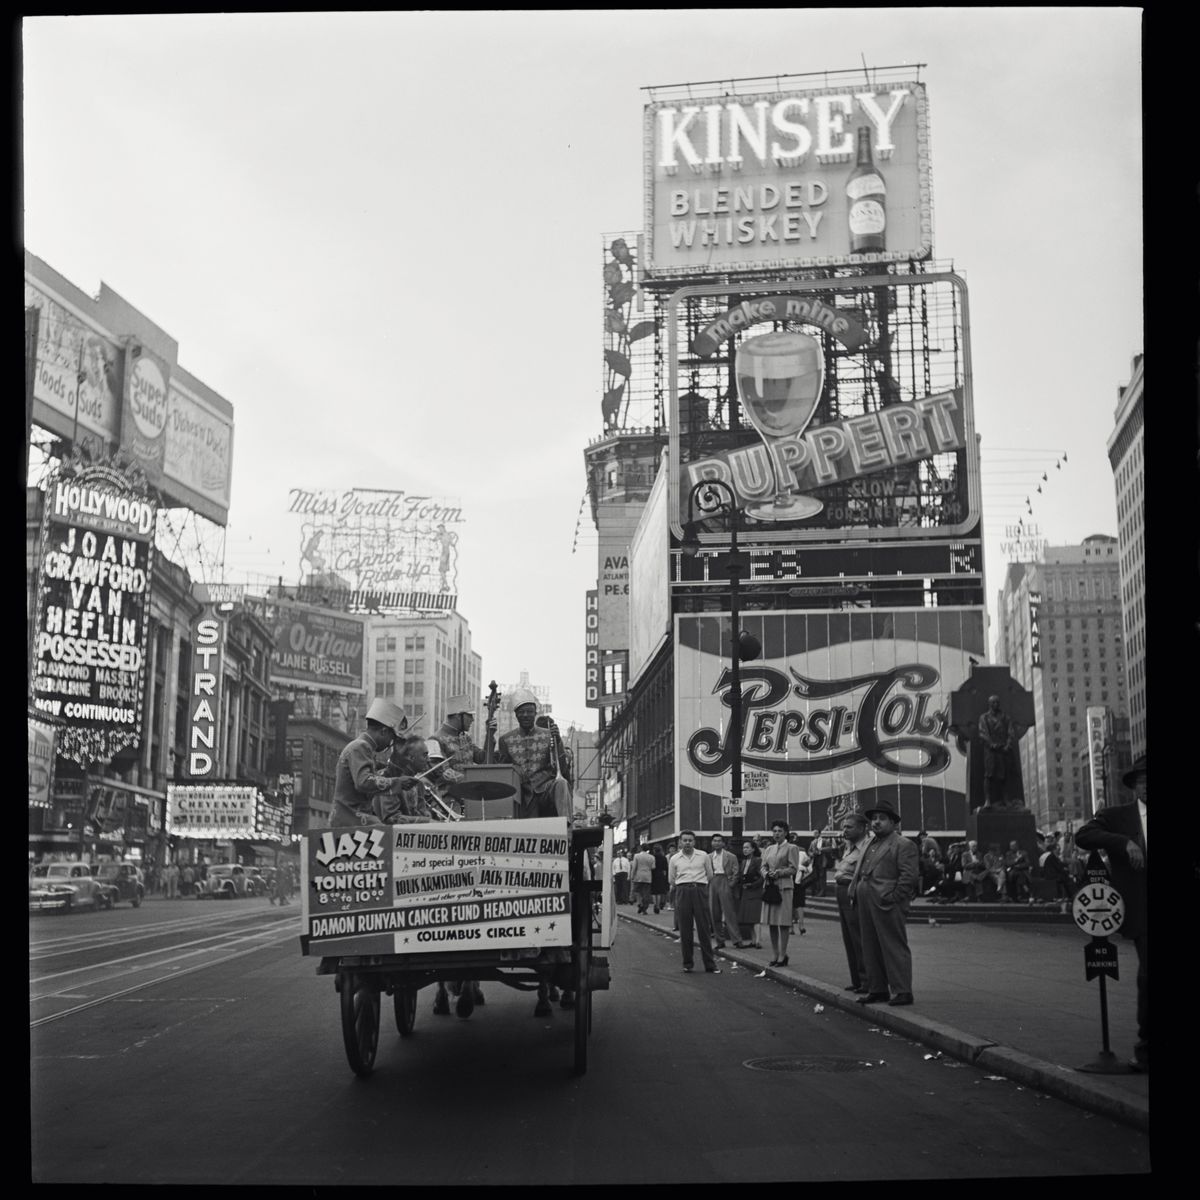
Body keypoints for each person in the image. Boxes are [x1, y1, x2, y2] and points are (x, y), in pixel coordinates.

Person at [1075, 753, 1147, 1072]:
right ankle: (1147, 1048)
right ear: (1134, 786)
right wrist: (1122, 844)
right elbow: (1084, 836)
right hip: (1143, 910)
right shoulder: (1118, 816)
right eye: (1142, 781)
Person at [848, 801, 919, 1006]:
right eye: (874, 819)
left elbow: (909, 876)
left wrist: (895, 897)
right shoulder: (870, 843)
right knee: (870, 946)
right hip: (866, 901)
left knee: (893, 946)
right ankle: (878, 989)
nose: (876, 822)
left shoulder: (902, 844)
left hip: (887, 902)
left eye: (882, 818)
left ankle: (903, 990)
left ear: (893, 823)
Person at [329, 697, 409, 828]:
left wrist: (396, 761)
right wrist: (398, 782)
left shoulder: (365, 749)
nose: (390, 743)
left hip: (356, 816)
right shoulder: (360, 747)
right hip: (349, 817)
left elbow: (375, 783)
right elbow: (364, 782)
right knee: (388, 835)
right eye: (391, 738)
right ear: (384, 731)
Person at [497, 690, 572, 819]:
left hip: (545, 791)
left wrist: (558, 741)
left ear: (535, 713)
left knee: (562, 784)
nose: (526, 715)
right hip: (520, 793)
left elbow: (563, 769)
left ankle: (566, 829)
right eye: (521, 712)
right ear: (516, 715)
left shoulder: (549, 735)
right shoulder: (505, 740)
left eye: (529, 712)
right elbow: (503, 772)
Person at [668, 831, 721, 973]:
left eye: (690, 840)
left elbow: (710, 874)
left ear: (694, 842)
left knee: (704, 928)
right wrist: (683, 886)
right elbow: (672, 879)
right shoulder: (674, 858)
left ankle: (710, 965)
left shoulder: (703, 856)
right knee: (685, 929)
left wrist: (700, 886)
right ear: (680, 842)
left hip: (699, 890)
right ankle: (687, 964)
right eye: (684, 840)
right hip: (682, 891)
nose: (687, 843)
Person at [833, 812, 870, 993]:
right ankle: (856, 979)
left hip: (854, 893)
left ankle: (866, 980)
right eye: (843, 827)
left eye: (849, 827)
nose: (844, 830)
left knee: (858, 938)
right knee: (849, 938)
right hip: (842, 894)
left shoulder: (867, 847)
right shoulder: (849, 846)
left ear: (862, 828)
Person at [760, 821, 800, 967]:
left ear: (785, 832)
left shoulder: (791, 848)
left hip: (784, 888)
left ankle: (783, 955)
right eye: (774, 831)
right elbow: (762, 866)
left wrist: (779, 873)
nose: (777, 833)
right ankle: (775, 953)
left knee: (783, 922)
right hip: (770, 886)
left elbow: (793, 868)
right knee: (771, 922)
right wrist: (766, 874)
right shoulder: (769, 849)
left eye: (780, 831)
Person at [978, 694, 1017, 809]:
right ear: (989, 704)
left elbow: (1011, 733)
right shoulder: (984, 717)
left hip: (1003, 750)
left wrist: (1008, 745)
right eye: (993, 702)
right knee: (989, 775)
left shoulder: (1005, 717)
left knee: (1004, 775)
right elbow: (982, 732)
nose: (996, 704)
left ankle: (1006, 799)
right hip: (990, 751)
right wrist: (991, 744)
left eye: (997, 702)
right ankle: (987, 800)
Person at [708, 833, 746, 948]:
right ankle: (720, 940)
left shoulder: (731, 856)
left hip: (725, 880)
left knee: (729, 912)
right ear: (712, 842)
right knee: (714, 913)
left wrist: (731, 884)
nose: (717, 843)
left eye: (719, 841)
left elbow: (736, 872)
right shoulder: (708, 857)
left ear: (724, 843)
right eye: (714, 840)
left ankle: (737, 940)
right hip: (713, 881)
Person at [733, 840, 764, 947]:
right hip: (745, 891)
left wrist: (753, 884)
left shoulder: (758, 860)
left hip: (755, 891)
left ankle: (758, 941)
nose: (745, 850)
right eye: (744, 848)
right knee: (748, 918)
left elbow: (762, 877)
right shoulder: (743, 862)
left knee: (755, 917)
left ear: (753, 849)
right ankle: (753, 940)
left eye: (747, 847)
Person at [791, 839, 811, 935]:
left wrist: (800, 867)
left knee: (798, 904)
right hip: (791, 881)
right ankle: (793, 926)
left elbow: (809, 868)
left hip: (798, 882)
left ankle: (800, 925)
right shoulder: (787, 852)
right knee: (792, 904)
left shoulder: (802, 854)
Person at [630, 842, 655, 913]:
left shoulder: (636, 856)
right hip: (647, 876)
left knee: (638, 891)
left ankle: (640, 903)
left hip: (638, 876)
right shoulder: (651, 857)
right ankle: (645, 907)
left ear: (641, 848)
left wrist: (632, 875)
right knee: (646, 893)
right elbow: (653, 867)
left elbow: (634, 867)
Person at [650, 844, 670, 913]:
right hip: (660, 875)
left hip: (653, 875)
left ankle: (655, 904)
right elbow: (665, 868)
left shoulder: (652, 857)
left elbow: (651, 867)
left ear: (654, 850)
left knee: (653, 891)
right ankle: (658, 905)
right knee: (659, 892)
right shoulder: (663, 857)